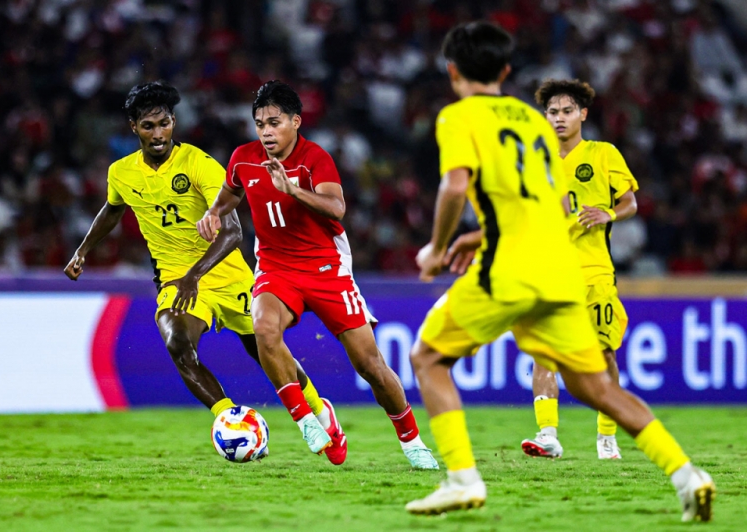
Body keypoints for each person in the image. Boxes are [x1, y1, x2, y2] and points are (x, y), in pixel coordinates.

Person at [405, 22, 714, 522]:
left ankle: (462, 479)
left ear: (453, 71)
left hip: (510, 266)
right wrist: (476, 235)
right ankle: (686, 474)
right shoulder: (532, 123)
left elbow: (455, 185)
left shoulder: (458, 116)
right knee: (597, 387)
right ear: (505, 70)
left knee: (427, 357)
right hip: (559, 269)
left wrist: (436, 247)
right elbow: (544, 206)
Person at [65, 82, 333, 441]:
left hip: (225, 272)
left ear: (174, 122)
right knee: (178, 342)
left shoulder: (199, 164)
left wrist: (195, 275)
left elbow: (233, 231)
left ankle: (317, 409)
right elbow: (113, 209)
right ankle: (230, 420)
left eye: (164, 124)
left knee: (265, 351)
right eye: (148, 126)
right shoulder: (121, 172)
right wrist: (83, 250)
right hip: (176, 277)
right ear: (134, 127)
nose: (157, 134)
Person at [196, 80, 438, 469]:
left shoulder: (315, 158)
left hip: (325, 267)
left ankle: (412, 442)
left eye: (274, 123)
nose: (266, 132)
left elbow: (336, 207)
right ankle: (308, 420)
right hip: (276, 266)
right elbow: (232, 191)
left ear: (296, 121)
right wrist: (213, 212)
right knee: (263, 328)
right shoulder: (243, 158)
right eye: (260, 124)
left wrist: (292, 190)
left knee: (370, 365)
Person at [519, 79, 637, 461]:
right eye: (552, 112)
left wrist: (608, 213)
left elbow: (631, 202)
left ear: (583, 114)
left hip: (594, 270)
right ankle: (548, 435)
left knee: (604, 356)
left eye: (567, 111)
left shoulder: (603, 154)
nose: (559, 118)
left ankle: (607, 437)